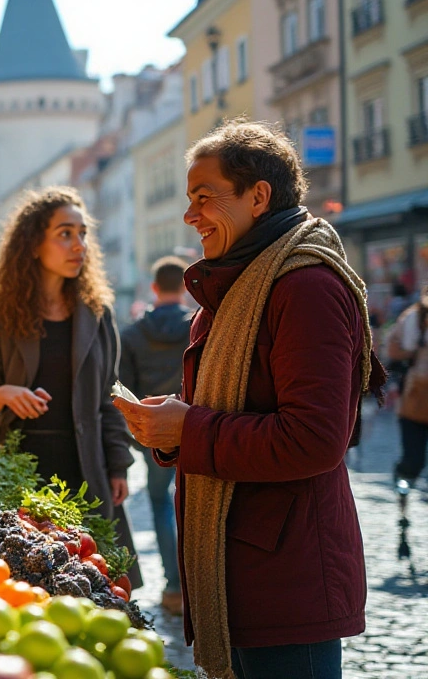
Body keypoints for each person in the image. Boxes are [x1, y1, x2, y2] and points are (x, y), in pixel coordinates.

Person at [113, 120, 382, 679]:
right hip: (246, 570)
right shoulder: (237, 285)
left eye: (204, 198)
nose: (191, 216)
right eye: (189, 200)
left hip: (287, 578)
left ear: (259, 197)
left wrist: (188, 430)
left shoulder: (304, 285)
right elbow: (228, 418)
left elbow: (313, 439)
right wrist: (170, 431)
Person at [0, 187, 139, 589]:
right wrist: (6, 394)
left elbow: (112, 397)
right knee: (30, 586)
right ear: (33, 244)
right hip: (21, 476)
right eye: (65, 233)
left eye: (82, 233)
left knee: (95, 584)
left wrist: (117, 465)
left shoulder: (97, 313)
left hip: (86, 472)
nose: (78, 244)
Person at [118, 256, 193, 617]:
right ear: (184, 286)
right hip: (195, 428)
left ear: (153, 288)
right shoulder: (198, 327)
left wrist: (141, 436)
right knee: (198, 507)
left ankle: (174, 587)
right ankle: (200, 585)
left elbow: (124, 392)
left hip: (153, 435)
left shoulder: (133, 334)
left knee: (162, 502)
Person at [386, 289, 428, 487]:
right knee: (413, 461)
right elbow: (392, 350)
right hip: (415, 398)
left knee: (413, 459)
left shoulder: (410, 317)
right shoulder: (412, 318)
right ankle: (402, 486)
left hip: (414, 396)